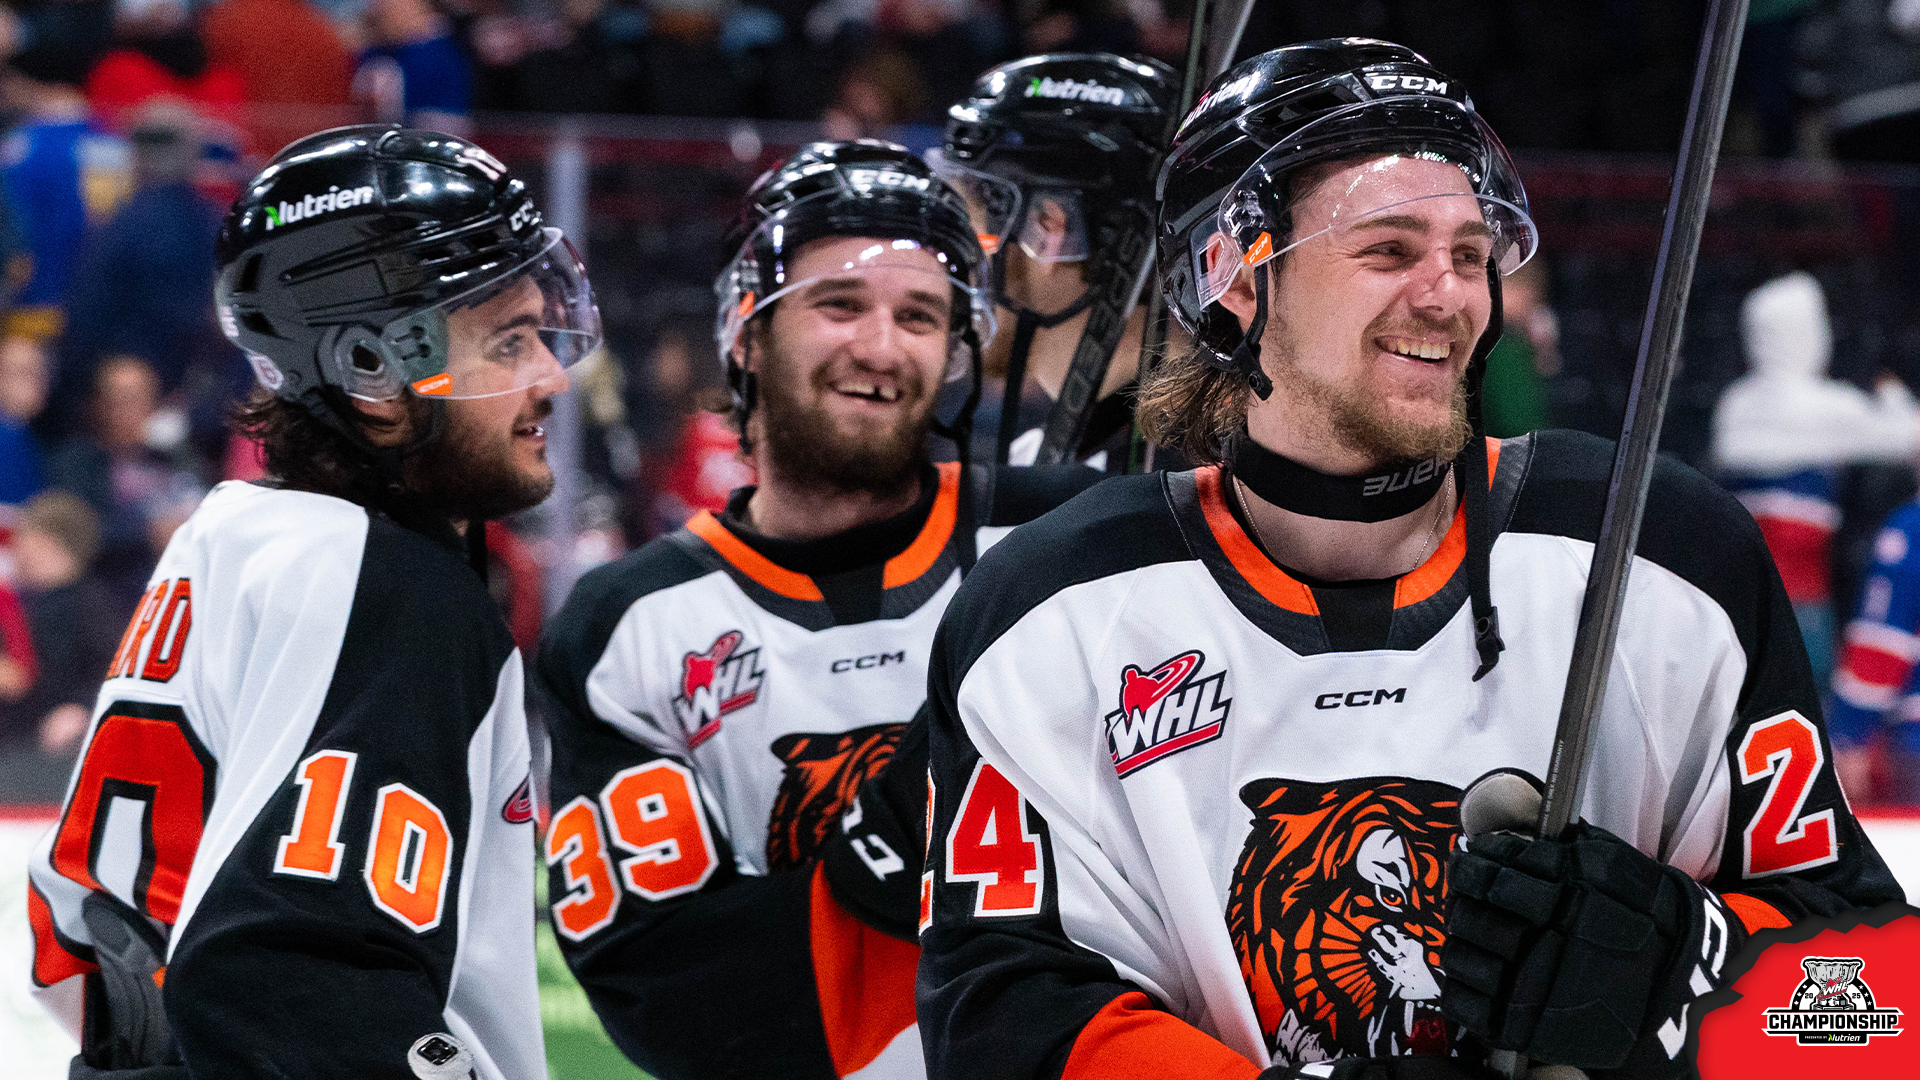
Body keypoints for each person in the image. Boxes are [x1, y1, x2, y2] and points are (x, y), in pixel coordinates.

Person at [917, 40, 1905, 1080]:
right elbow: (1002, 1031)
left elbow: (1881, 1019)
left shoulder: (1657, 552)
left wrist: (1683, 971)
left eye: (1471, 254)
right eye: (1388, 249)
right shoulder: (1051, 611)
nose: (1449, 295)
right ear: (1231, 278)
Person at [26, 125, 599, 1079]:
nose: (550, 374)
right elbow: (286, 985)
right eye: (508, 340)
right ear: (374, 372)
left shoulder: (235, 532)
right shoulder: (391, 588)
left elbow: (101, 948)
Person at [537, 139, 1098, 1080]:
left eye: (919, 316)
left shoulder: (1068, 543)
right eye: (839, 305)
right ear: (745, 331)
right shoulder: (624, 626)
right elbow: (671, 993)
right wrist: (908, 817)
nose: (880, 348)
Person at [934, 52, 1174, 471]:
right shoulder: (1040, 457)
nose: (949, 266)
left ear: (1047, 227)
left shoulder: (1199, 476)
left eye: (969, 231)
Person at [1712, 270, 1919, 684]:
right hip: (1800, 601)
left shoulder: (1735, 405)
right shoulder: (1821, 408)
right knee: (1801, 696)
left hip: (1737, 597)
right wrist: (1892, 396)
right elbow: (1909, 435)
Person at [0, 491, 120, 753]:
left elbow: (112, 671)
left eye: (22, 536)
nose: (15, 547)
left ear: (47, 542)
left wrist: (81, 709)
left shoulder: (91, 605)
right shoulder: (25, 602)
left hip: (60, 747)